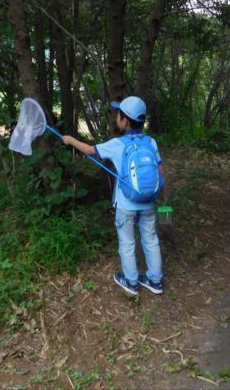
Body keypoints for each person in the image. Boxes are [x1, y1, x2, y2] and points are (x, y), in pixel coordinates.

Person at [62, 96, 167, 296]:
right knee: (151, 240)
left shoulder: (118, 143)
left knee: (127, 243)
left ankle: (132, 282)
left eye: (118, 114)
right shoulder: (151, 142)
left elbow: (91, 150)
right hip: (149, 202)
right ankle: (155, 281)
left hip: (126, 205)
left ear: (125, 121)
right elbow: (161, 171)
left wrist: (70, 140)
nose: (116, 117)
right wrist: (164, 197)